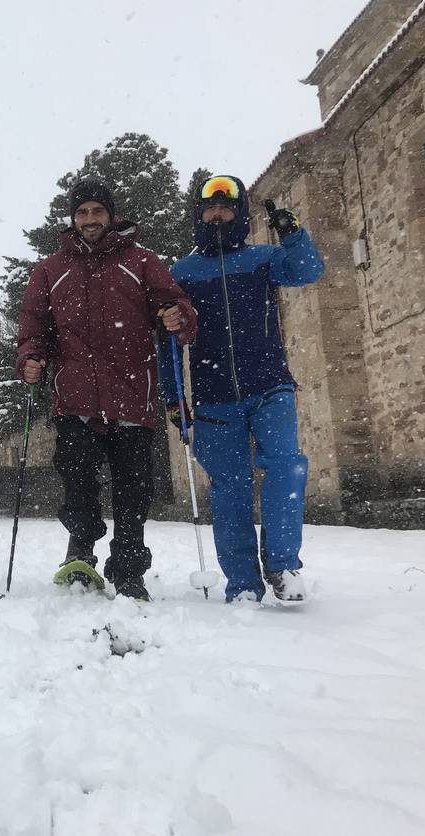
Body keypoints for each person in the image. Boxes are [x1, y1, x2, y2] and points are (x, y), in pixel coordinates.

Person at [16, 180, 197, 601]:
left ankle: (129, 569)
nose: (90, 219)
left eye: (98, 211)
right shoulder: (50, 270)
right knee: (77, 482)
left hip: (132, 394)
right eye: (82, 213)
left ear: (110, 215)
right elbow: (33, 328)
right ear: (73, 218)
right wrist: (29, 358)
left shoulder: (142, 261)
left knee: (134, 488)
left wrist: (177, 317)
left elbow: (177, 308)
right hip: (75, 398)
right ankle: (79, 554)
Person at [160, 175, 324, 603]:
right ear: (199, 215)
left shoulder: (265, 258)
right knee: (229, 490)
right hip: (215, 399)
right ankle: (243, 584)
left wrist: (293, 235)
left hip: (270, 385)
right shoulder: (183, 272)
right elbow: (168, 337)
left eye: (225, 207)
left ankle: (283, 565)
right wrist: (172, 397)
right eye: (209, 208)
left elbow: (307, 271)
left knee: (286, 467)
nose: (217, 213)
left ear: (240, 213)